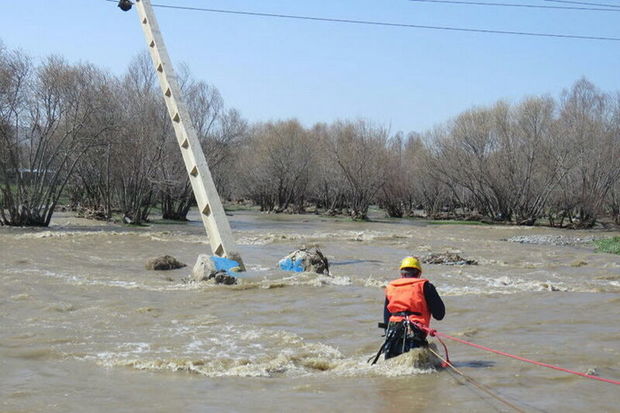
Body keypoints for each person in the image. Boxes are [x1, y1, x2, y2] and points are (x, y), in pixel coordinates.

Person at [382, 256, 445, 360]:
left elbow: (386, 316)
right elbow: (439, 314)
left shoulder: (391, 287)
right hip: (415, 331)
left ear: (401, 274)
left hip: (392, 332)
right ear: (419, 273)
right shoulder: (425, 286)